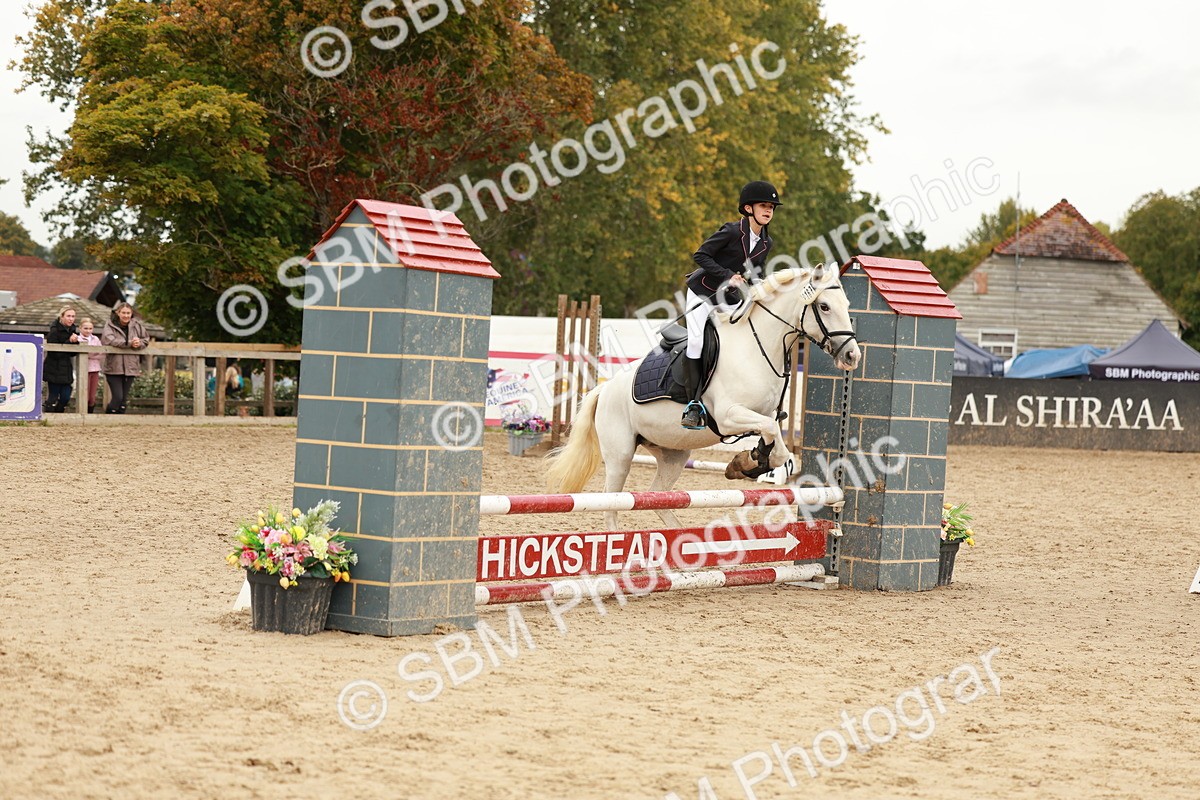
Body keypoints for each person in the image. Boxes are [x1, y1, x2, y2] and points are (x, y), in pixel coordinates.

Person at [680, 180, 781, 428]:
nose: (768, 210)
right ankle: (693, 405)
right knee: (696, 341)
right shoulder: (732, 231)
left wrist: (769, 289)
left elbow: (756, 272)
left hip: (728, 297)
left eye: (771, 207)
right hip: (702, 291)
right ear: (748, 209)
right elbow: (700, 255)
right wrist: (727, 275)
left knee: (746, 336)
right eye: (763, 205)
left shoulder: (767, 243)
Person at [100, 302, 150, 414]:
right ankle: (108, 418)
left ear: (131, 313)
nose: (126, 315)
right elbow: (109, 340)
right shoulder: (110, 325)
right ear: (118, 313)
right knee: (117, 397)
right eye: (123, 313)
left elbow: (146, 339)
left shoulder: (137, 325)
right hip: (114, 367)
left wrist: (139, 343)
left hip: (131, 366)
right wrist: (129, 343)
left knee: (123, 400)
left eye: (128, 313)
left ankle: (120, 424)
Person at [43, 306, 81, 413]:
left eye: (73, 316)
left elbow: (73, 353)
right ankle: (49, 417)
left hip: (66, 369)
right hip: (53, 368)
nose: (71, 319)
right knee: (53, 397)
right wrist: (69, 341)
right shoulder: (54, 331)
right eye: (68, 316)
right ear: (62, 317)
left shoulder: (72, 331)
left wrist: (75, 342)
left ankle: (58, 414)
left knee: (65, 397)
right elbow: (55, 353)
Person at [78, 317, 103, 414]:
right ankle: (82, 413)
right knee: (85, 394)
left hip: (95, 368)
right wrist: (93, 353)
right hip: (83, 369)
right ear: (80, 328)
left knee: (92, 396)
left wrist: (90, 354)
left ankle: (90, 413)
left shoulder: (95, 338)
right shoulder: (78, 338)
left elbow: (101, 352)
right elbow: (85, 353)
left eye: (90, 328)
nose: (88, 331)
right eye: (85, 328)